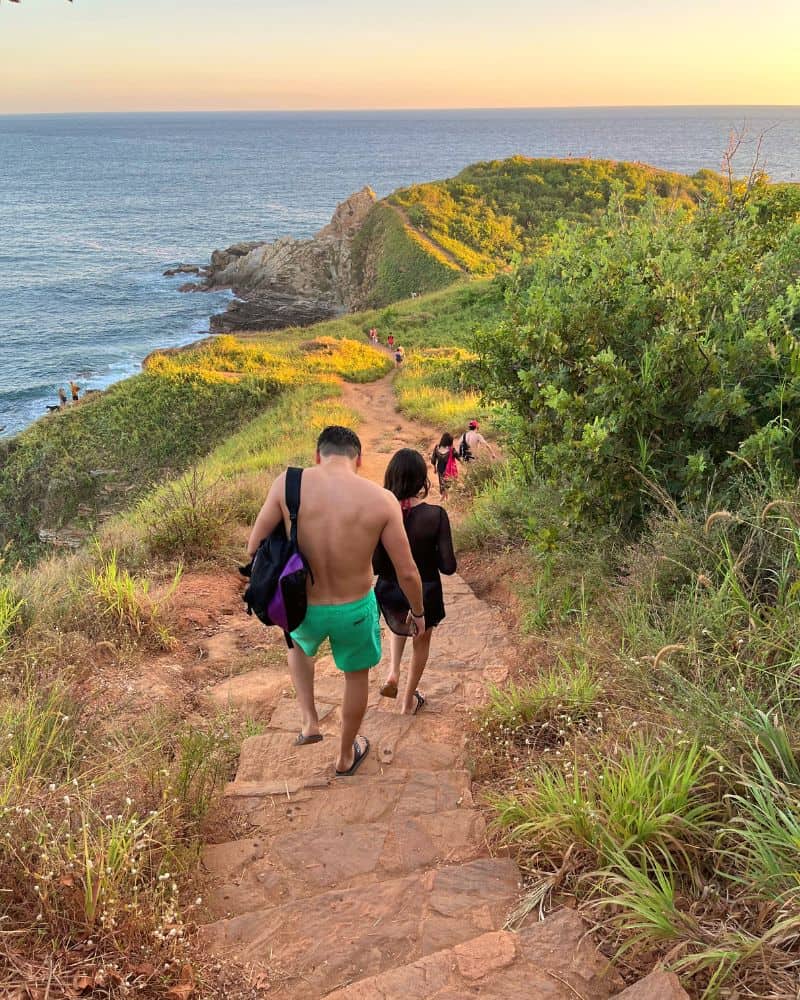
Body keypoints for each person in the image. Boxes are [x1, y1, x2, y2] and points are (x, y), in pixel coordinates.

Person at [246, 426, 425, 777]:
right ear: (358, 459)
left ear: (318, 455)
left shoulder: (288, 484)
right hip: (354, 608)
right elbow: (407, 572)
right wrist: (416, 613)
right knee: (355, 676)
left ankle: (309, 721)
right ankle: (345, 755)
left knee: (297, 646)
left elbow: (253, 547)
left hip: (302, 607)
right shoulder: (381, 500)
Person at [373, 449, 457, 714]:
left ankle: (393, 672)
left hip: (388, 590)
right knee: (421, 642)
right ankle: (408, 701)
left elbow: (376, 564)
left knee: (398, 623)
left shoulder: (380, 515)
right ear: (422, 478)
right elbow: (448, 567)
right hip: (426, 591)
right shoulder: (436, 515)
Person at [431, 432, 458, 500]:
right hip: (448, 469)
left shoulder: (437, 447)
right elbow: (458, 457)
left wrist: (434, 468)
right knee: (448, 483)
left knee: (442, 482)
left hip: (440, 468)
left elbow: (433, 458)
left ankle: (444, 496)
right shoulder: (451, 449)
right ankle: (444, 497)